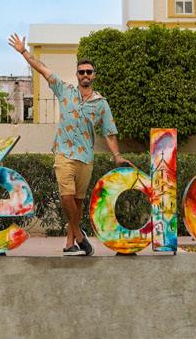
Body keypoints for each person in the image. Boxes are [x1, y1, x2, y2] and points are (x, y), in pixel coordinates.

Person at [9, 32, 125, 255]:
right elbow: (43, 70)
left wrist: (117, 155)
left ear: (94, 75)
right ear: (77, 74)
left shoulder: (101, 104)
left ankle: (70, 244)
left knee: (78, 202)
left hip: (86, 157)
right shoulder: (65, 90)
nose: (85, 75)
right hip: (64, 153)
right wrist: (24, 52)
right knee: (66, 197)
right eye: (81, 72)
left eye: (88, 72)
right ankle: (80, 236)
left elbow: (110, 133)